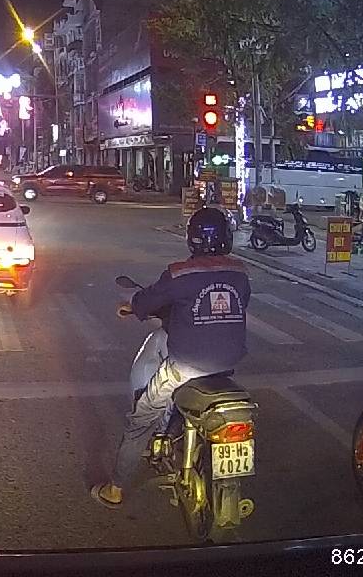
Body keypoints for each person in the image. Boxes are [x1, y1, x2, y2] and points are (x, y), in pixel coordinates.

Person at [93, 207, 250, 508]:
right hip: (228, 364)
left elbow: (147, 299)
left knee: (142, 419)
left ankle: (115, 489)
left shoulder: (179, 273)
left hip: (186, 366)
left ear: (192, 239)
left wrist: (132, 307)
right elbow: (240, 303)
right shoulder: (240, 272)